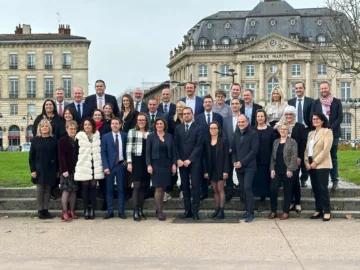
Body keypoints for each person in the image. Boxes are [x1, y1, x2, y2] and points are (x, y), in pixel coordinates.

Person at [311, 81, 342, 191]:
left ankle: (335, 181)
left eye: (325, 88)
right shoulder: (316, 103)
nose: (324, 90)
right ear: (320, 90)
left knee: (333, 157)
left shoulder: (337, 102)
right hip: (319, 133)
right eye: (322, 88)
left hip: (333, 133)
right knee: (320, 155)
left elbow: (339, 118)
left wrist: (329, 129)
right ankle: (321, 181)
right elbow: (312, 116)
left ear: (329, 89)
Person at [32, 99, 65, 200]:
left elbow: (62, 132)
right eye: (47, 105)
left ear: (54, 106)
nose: (49, 106)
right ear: (44, 107)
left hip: (55, 145)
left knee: (54, 168)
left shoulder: (59, 118)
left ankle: (53, 190)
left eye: (51, 104)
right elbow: (35, 131)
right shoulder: (39, 118)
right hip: (42, 145)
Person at [174, 107, 204, 220]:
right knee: (185, 187)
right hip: (182, 162)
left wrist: (190, 159)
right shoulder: (178, 128)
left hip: (194, 162)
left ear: (192, 115)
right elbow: (175, 145)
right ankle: (187, 211)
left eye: (188, 113)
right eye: (184, 114)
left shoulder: (198, 128)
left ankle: (196, 211)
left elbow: (199, 146)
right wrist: (178, 159)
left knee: (196, 187)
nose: (186, 115)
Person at [305, 112, 333, 221]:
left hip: (322, 163)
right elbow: (307, 149)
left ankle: (327, 211)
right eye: (313, 119)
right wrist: (306, 161)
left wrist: (315, 162)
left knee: (322, 188)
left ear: (322, 120)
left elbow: (326, 150)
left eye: (317, 119)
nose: (315, 121)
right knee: (315, 188)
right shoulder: (311, 133)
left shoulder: (327, 132)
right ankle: (318, 209)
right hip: (311, 163)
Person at [146, 118, 176, 221]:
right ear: (155, 125)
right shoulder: (151, 137)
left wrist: (173, 164)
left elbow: (173, 151)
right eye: (157, 124)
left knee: (163, 187)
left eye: (161, 124)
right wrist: (149, 165)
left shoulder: (169, 136)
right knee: (158, 187)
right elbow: (148, 152)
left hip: (167, 164)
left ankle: (159, 208)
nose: (159, 125)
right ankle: (159, 211)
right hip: (156, 165)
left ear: (164, 125)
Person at [74, 117, 104, 220]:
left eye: (89, 125)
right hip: (84, 165)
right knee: (85, 188)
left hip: (95, 165)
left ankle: (92, 209)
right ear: (83, 126)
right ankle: (86, 208)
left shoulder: (97, 136)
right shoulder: (79, 137)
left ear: (93, 126)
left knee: (93, 188)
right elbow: (75, 153)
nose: (87, 126)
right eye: (85, 125)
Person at [195, 94, 223, 200]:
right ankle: (204, 191)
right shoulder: (198, 118)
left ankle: (215, 189)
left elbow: (221, 132)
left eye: (209, 102)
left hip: (215, 147)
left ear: (212, 103)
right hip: (202, 147)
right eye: (205, 102)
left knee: (215, 167)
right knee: (203, 168)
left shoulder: (218, 117)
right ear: (203, 104)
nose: (207, 103)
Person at [232, 114, 259, 223]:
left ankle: (251, 213)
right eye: (239, 122)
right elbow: (233, 150)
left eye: (243, 122)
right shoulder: (236, 134)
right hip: (239, 167)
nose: (241, 124)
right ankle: (247, 211)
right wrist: (234, 162)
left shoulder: (253, 134)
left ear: (247, 122)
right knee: (242, 189)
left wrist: (242, 162)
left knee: (247, 187)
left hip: (249, 166)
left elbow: (254, 151)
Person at [29, 119, 57, 219]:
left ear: (49, 128)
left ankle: (46, 210)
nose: (44, 128)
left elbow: (56, 155)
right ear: (39, 128)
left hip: (50, 168)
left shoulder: (53, 140)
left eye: (46, 126)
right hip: (39, 168)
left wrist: (57, 170)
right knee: (40, 189)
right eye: (42, 126)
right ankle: (40, 210)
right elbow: (31, 157)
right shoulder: (35, 140)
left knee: (48, 189)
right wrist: (33, 170)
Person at [287, 82, 314, 187]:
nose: (298, 89)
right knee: (294, 152)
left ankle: (304, 178)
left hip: (306, 129)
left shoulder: (310, 101)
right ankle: (294, 175)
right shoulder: (291, 101)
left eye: (300, 88)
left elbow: (312, 116)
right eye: (296, 88)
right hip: (294, 129)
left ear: (304, 89)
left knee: (304, 153)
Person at [269, 123, 298, 220]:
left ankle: (286, 211)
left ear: (288, 131)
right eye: (281, 129)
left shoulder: (292, 142)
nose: (283, 131)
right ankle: (273, 211)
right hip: (277, 170)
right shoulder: (276, 142)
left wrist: (290, 169)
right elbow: (272, 157)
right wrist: (272, 169)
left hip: (287, 170)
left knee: (287, 191)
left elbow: (294, 157)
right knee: (273, 189)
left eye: (285, 129)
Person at [101, 118, 128, 219]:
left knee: (121, 188)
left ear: (120, 125)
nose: (115, 125)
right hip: (109, 166)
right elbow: (103, 152)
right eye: (113, 123)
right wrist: (105, 166)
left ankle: (121, 211)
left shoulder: (125, 135)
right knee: (109, 189)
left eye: (117, 123)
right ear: (111, 125)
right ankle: (110, 211)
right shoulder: (105, 137)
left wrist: (127, 160)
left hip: (121, 165)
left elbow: (128, 148)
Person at [126, 113, 151, 221]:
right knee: (136, 186)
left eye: (143, 120)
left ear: (146, 121)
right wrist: (129, 162)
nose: (141, 122)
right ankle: (135, 211)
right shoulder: (132, 131)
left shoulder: (150, 133)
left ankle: (140, 210)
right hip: (136, 160)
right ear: (137, 121)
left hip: (147, 161)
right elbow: (128, 148)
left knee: (144, 186)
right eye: (139, 120)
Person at [203, 121, 229, 219]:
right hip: (211, 169)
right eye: (211, 128)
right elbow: (204, 158)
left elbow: (227, 157)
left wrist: (226, 171)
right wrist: (205, 171)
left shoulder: (223, 141)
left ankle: (222, 211)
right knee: (214, 190)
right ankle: (217, 209)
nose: (213, 130)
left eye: (215, 128)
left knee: (220, 189)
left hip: (221, 169)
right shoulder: (206, 141)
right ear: (209, 130)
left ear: (218, 130)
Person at [283, 106, 306, 213]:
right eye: (286, 114)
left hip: (296, 158)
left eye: (290, 114)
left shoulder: (300, 127)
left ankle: (297, 202)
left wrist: (299, 157)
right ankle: (290, 202)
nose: (288, 116)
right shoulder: (282, 126)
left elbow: (302, 144)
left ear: (294, 115)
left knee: (295, 181)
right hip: (284, 159)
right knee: (288, 181)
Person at [253, 109, 275, 212]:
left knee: (265, 181)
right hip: (255, 160)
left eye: (262, 116)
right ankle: (254, 201)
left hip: (267, 160)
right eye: (258, 116)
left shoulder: (270, 130)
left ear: (265, 117)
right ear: (256, 118)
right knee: (256, 180)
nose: (260, 118)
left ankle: (263, 201)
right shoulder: (253, 130)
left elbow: (273, 145)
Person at [58, 120, 79, 221]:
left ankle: (72, 210)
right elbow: (61, 156)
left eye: (74, 129)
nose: (73, 130)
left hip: (76, 170)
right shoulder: (62, 140)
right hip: (66, 170)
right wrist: (64, 169)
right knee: (66, 191)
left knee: (73, 191)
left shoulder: (77, 140)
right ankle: (64, 211)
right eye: (71, 128)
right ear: (67, 129)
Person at [222, 98, 242, 202]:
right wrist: (228, 147)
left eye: (236, 104)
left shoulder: (244, 118)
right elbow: (224, 135)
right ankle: (229, 191)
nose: (234, 105)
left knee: (241, 171)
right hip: (228, 150)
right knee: (228, 171)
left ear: (240, 105)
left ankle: (242, 192)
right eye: (232, 104)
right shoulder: (226, 119)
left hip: (241, 150)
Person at [92, 109, 111, 210]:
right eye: (95, 115)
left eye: (99, 115)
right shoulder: (89, 127)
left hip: (103, 156)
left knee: (104, 181)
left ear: (102, 116)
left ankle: (106, 201)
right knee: (93, 181)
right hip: (92, 156)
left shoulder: (106, 127)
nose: (97, 116)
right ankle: (92, 202)